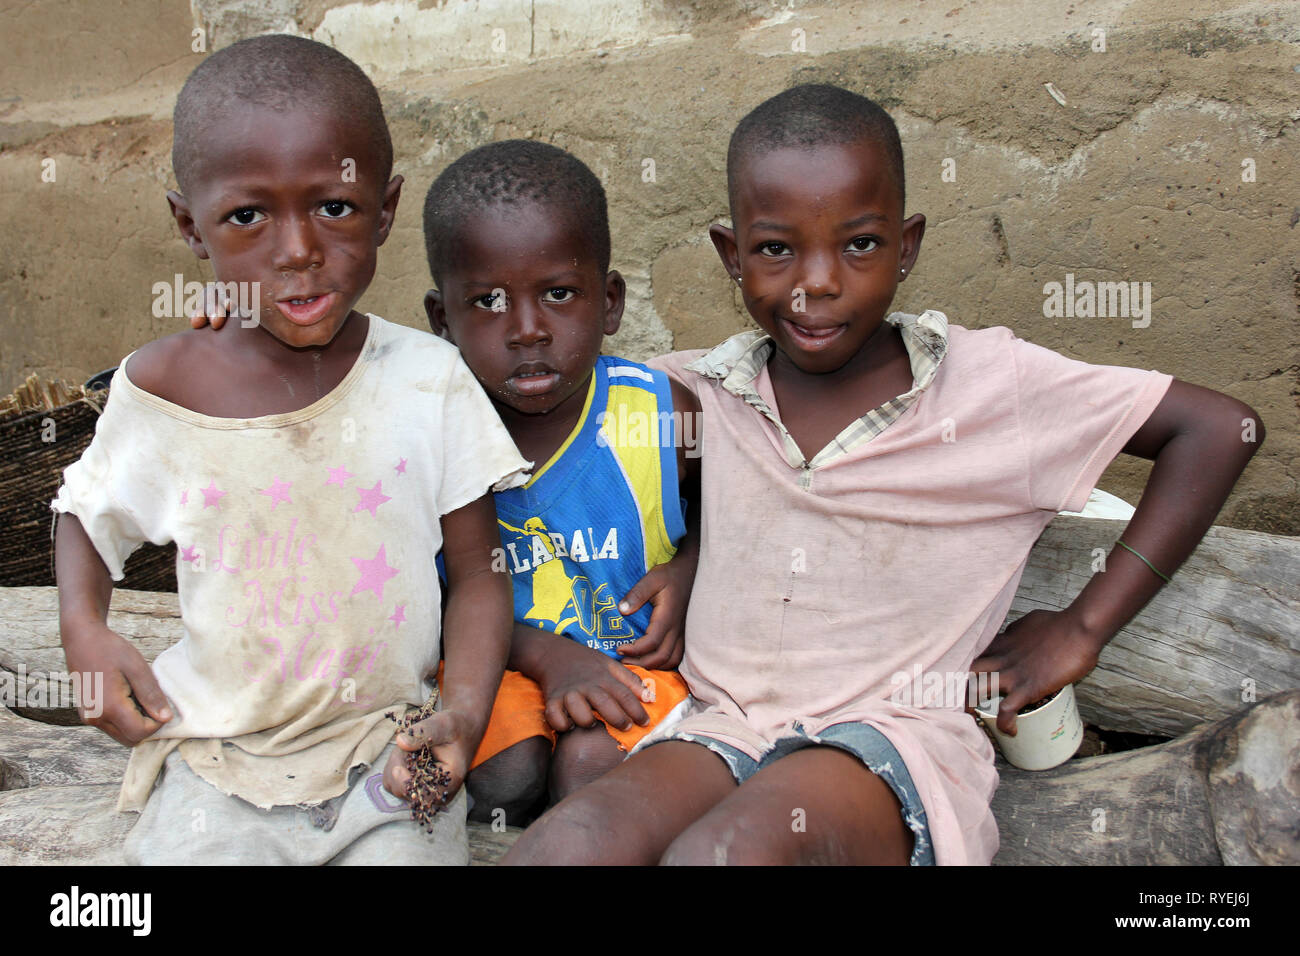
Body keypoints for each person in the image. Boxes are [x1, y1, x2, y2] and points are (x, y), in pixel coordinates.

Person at [503, 83, 1265, 865]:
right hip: (715, 726)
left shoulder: (990, 386)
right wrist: (693, 562)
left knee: (726, 853)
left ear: (907, 246)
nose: (819, 281)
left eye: (859, 244)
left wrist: (1084, 626)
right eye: (776, 249)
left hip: (889, 742)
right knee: (565, 846)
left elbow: (1218, 430)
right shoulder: (702, 391)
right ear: (732, 257)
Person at [52, 34, 529, 865]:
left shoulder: (428, 379)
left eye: (334, 207)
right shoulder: (166, 387)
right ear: (188, 226)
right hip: (214, 759)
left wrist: (463, 711)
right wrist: (83, 633)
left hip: (390, 753)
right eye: (247, 216)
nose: (299, 249)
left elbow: (481, 579)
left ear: (384, 207)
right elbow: (85, 517)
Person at [199, 139, 703, 823]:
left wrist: (688, 569)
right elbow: (434, 596)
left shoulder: (659, 414)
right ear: (443, 320)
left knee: (591, 767)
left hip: (632, 668)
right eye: (489, 303)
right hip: (489, 669)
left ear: (608, 302)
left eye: (559, 294)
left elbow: (734, 520)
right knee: (504, 776)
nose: (527, 330)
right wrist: (549, 657)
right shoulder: (426, 429)